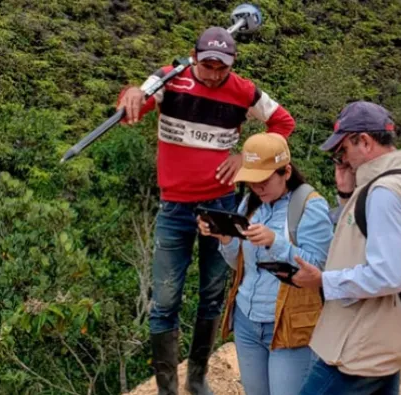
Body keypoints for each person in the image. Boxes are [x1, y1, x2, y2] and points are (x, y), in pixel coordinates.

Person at [115, 26, 296, 395]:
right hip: (175, 208)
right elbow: (134, 104)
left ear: (231, 65)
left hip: (220, 207)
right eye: (208, 65)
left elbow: (283, 122)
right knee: (165, 300)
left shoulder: (243, 91)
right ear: (194, 57)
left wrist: (243, 156)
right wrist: (132, 93)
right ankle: (168, 389)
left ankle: (196, 379)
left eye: (222, 68)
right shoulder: (170, 78)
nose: (215, 74)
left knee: (212, 294)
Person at [283, 101, 401, 394]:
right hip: (380, 339)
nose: (341, 158)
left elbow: (388, 274)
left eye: (343, 149)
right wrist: (347, 194)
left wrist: (322, 280)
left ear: (365, 141)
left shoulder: (384, 191)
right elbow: (364, 239)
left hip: (358, 344)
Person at [196, 133, 333, 395]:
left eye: (264, 180)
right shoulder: (251, 204)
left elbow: (318, 271)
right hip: (248, 320)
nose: (258, 187)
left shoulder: (309, 207)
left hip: (288, 325)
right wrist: (224, 238)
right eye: (252, 181)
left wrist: (275, 242)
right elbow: (241, 267)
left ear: (286, 172)